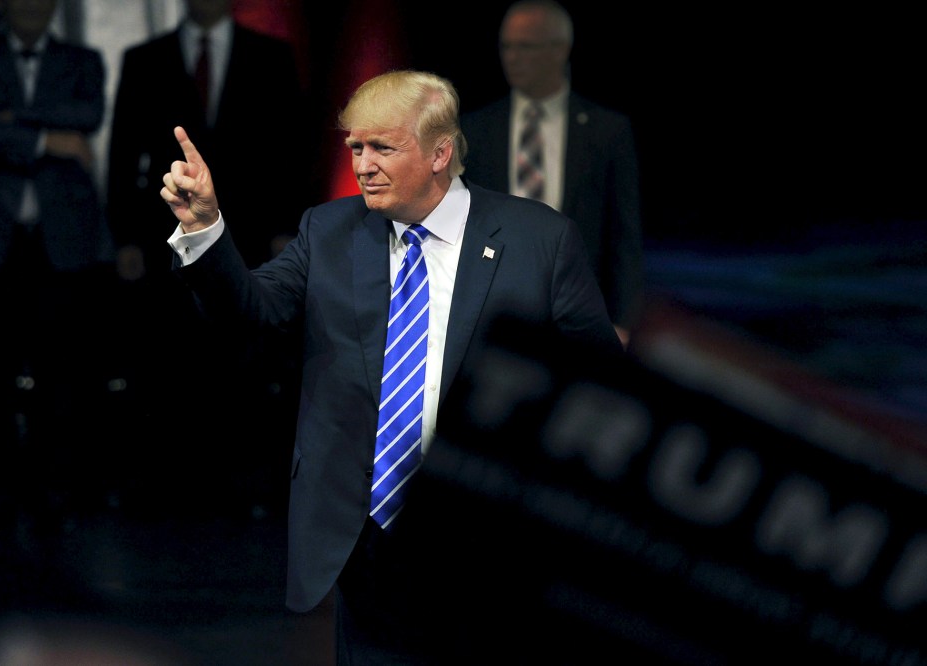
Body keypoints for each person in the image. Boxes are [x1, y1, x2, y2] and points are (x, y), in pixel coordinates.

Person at [159, 69, 622, 663]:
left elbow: (602, 387)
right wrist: (203, 229)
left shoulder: (540, 240)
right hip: (365, 535)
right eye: (356, 147)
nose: (363, 165)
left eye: (383, 147)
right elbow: (253, 310)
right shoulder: (327, 230)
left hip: (487, 538)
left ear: (440, 153)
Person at [106, 0, 309, 519]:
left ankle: (243, 481)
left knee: (243, 356)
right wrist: (124, 237)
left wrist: (288, 230)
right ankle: (171, 482)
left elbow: (291, 147)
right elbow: (124, 152)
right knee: (169, 356)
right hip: (164, 234)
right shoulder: (144, 58)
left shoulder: (271, 55)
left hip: (253, 232)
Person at [0, 0, 113, 525]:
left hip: (63, 238)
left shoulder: (82, 59)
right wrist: (48, 139)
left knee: (61, 369)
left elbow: (88, 115)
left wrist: (11, 121)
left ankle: (55, 485)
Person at [460, 0, 644, 346]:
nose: (512, 57)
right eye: (506, 47)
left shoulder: (607, 132)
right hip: (492, 314)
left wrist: (621, 321)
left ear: (560, 49)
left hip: (580, 314)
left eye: (525, 47)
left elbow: (624, 236)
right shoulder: (475, 130)